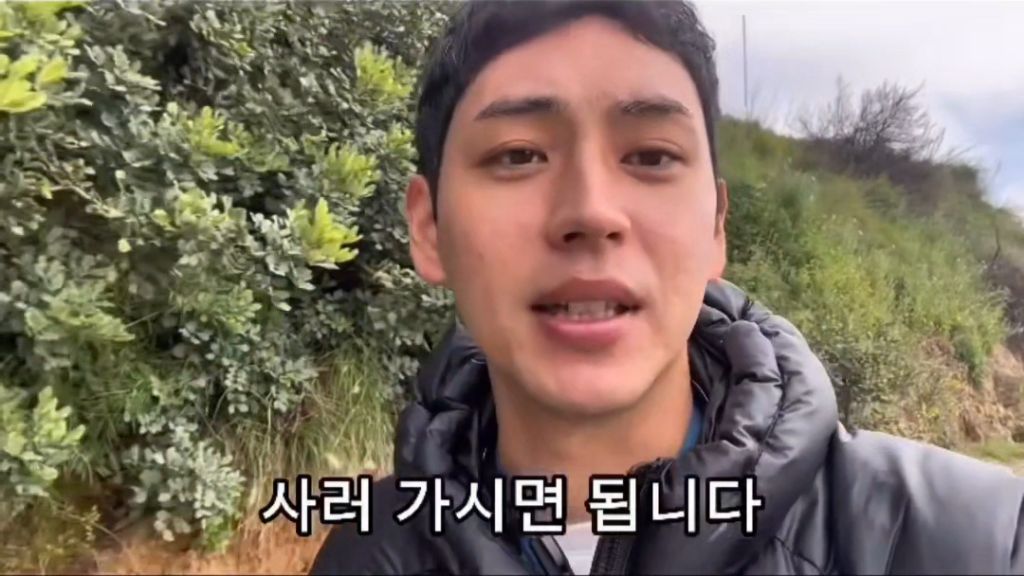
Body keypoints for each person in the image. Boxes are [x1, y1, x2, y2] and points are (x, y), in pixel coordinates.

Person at [311, 1, 1024, 574]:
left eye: (652, 156)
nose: (591, 211)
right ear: (430, 228)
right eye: (519, 154)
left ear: (716, 226)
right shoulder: (369, 555)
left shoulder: (980, 539)